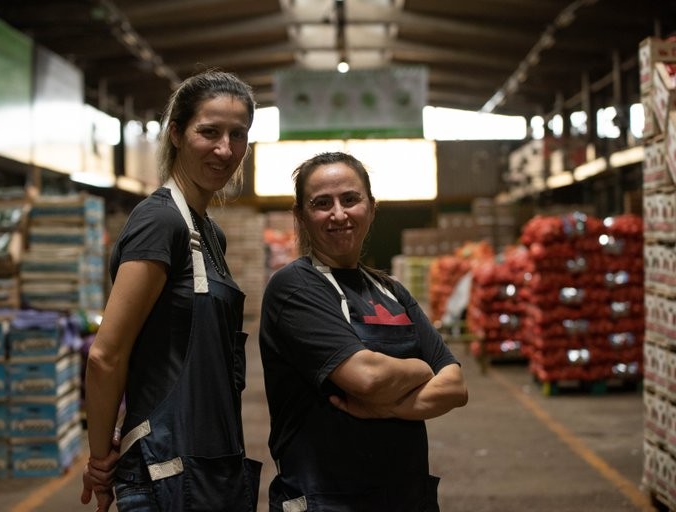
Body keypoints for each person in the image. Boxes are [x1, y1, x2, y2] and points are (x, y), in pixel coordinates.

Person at [80, 69, 262, 512]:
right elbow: (106, 356)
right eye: (209, 132)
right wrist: (101, 458)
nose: (225, 149)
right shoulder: (160, 222)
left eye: (237, 135)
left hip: (208, 466)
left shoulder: (209, 235)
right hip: (166, 473)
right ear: (177, 133)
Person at [259, 151, 469, 511]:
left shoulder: (391, 291)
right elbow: (367, 378)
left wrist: (385, 408)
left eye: (350, 199)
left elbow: (455, 387)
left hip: (406, 498)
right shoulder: (295, 287)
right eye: (322, 203)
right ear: (301, 216)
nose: (339, 214)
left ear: (371, 208)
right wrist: (421, 369)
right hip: (326, 500)